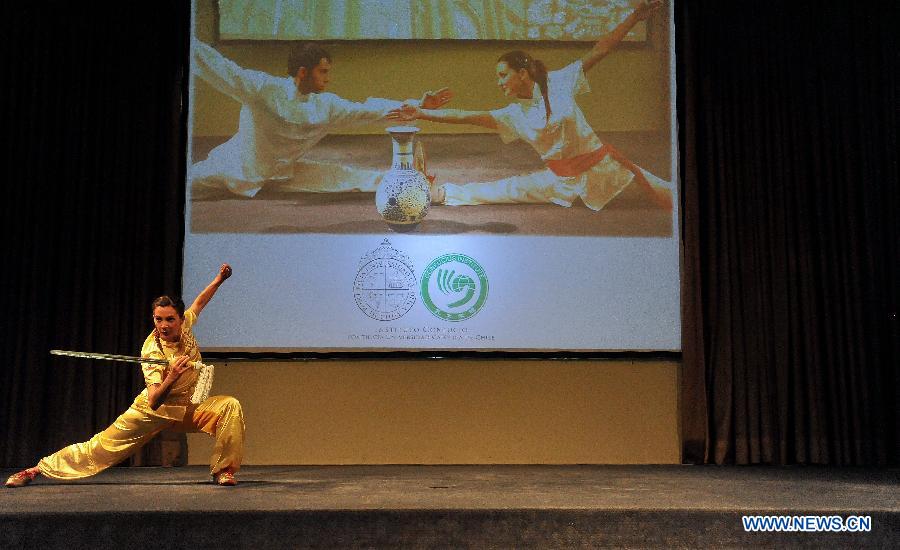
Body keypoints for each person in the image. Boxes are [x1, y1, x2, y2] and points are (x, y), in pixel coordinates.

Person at [387, 0, 672, 212]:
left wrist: (635, 17)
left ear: (522, 73)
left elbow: (602, 49)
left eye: (503, 75)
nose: (499, 83)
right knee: (502, 189)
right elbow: (466, 116)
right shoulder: (513, 115)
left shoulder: (560, 81)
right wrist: (423, 113)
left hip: (606, 171)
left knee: (671, 196)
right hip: (559, 181)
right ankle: (436, 194)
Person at [5, 264, 244, 488]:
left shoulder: (186, 326)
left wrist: (219, 279)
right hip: (153, 411)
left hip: (187, 408)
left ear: (181, 319)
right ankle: (38, 469)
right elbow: (154, 400)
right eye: (158, 319)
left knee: (229, 407)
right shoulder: (152, 350)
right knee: (101, 447)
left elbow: (200, 302)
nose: (163, 325)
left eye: (170, 319)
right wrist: (171, 377)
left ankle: (223, 470)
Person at [191, 39, 452, 198]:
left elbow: (370, 111)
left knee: (347, 178)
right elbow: (221, 68)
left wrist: (418, 105)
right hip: (233, 168)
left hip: (282, 175)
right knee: (185, 185)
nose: (328, 78)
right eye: (323, 71)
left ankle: (413, 185)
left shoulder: (326, 106)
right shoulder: (262, 88)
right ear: (303, 72)